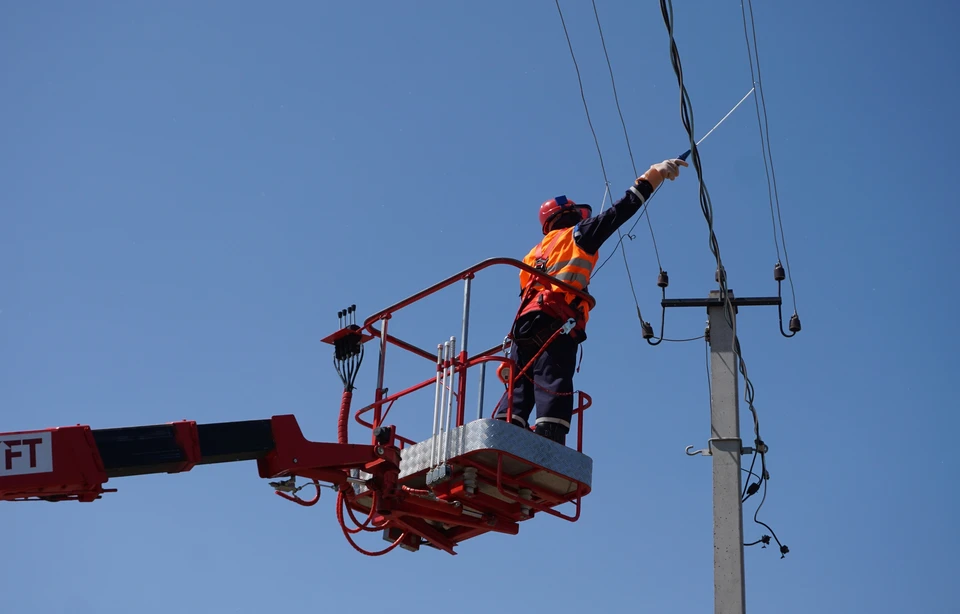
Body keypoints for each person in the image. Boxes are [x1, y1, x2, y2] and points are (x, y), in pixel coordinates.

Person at [493, 158, 689, 445]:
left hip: (524, 325)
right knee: (553, 375)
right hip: (558, 319)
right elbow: (621, 211)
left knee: (520, 383)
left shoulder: (532, 254)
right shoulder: (578, 235)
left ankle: (503, 432)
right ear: (570, 215)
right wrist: (654, 176)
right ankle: (550, 438)